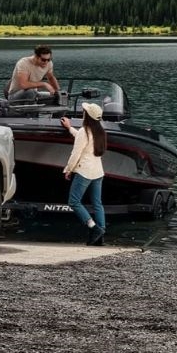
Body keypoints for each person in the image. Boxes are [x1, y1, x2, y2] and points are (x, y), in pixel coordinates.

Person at [60, 102, 107, 245]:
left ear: (87, 116)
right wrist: (70, 129)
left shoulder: (84, 131)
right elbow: (84, 140)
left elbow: (76, 153)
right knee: (97, 204)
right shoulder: (100, 131)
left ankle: (93, 228)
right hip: (98, 172)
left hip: (84, 172)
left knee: (73, 201)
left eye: (85, 111)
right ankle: (101, 234)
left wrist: (68, 169)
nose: (83, 112)